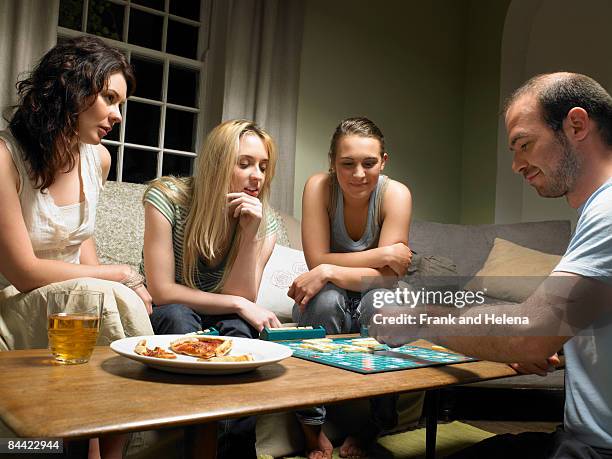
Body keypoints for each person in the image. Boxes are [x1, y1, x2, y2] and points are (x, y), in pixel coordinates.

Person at [371, 72, 612, 458]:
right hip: (577, 437)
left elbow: (529, 331)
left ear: (577, 125)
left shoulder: (607, 211)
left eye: (524, 144)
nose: (517, 164)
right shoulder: (596, 210)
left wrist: (418, 321)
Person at [0, 35, 154, 459]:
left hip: (70, 308)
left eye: (121, 103)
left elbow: (81, 238)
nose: (117, 115)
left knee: (109, 297)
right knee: (105, 292)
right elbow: (23, 272)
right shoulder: (4, 157)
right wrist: (118, 277)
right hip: (12, 301)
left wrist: (119, 287)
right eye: (109, 98)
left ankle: (107, 450)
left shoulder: (97, 158)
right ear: (70, 87)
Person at [288, 117, 414, 459]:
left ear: (383, 162)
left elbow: (387, 279)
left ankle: (375, 422)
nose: (358, 174)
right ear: (332, 162)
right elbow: (316, 262)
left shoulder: (396, 194)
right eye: (347, 164)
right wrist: (383, 254)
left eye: (369, 163)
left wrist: (331, 266)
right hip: (329, 295)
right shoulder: (318, 187)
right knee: (326, 299)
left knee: (385, 302)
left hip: (377, 293)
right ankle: (312, 429)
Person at [142, 119, 282, 339]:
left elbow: (244, 296)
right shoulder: (167, 198)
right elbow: (162, 291)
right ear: (217, 164)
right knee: (178, 317)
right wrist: (237, 304)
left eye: (263, 167)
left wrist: (249, 235)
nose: (258, 176)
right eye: (244, 164)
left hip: (223, 311)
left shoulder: (266, 222)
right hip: (170, 308)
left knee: (242, 327)